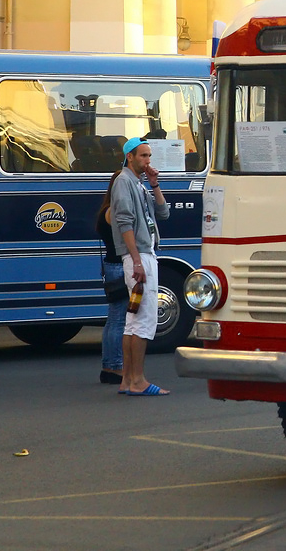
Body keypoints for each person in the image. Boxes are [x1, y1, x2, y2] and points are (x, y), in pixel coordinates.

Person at [111, 137, 171, 396]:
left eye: (149, 156)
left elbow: (164, 213)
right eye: (143, 156)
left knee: (133, 321)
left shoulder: (139, 183)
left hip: (144, 254)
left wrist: (155, 184)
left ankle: (128, 380)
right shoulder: (124, 182)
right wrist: (136, 260)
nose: (148, 160)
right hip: (140, 256)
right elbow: (124, 222)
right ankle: (138, 381)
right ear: (130, 157)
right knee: (145, 319)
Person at [95, 170, 127, 384]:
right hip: (118, 266)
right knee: (119, 319)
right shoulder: (114, 211)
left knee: (113, 318)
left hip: (111, 265)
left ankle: (110, 365)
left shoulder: (105, 209)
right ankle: (114, 367)